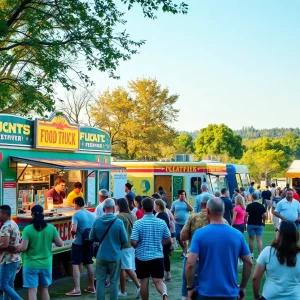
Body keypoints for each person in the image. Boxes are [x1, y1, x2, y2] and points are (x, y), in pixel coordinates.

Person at [186, 197, 252, 300]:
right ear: (224, 211)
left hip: (206, 292)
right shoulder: (237, 235)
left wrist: (190, 288)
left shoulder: (199, 234)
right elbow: (249, 262)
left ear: (207, 211)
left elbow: (190, 264)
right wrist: (242, 287)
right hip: (230, 293)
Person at [12, 205, 63, 300]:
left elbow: (23, 248)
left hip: (30, 264)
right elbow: (60, 243)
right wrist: (50, 239)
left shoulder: (28, 229)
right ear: (43, 214)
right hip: (46, 264)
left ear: (32, 215)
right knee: (44, 289)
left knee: (32, 290)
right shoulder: (51, 228)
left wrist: (13, 248)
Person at [131, 197, 171, 300]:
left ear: (143, 208)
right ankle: (164, 294)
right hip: (157, 256)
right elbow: (168, 239)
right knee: (158, 281)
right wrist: (159, 243)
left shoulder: (138, 223)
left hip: (142, 257)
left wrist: (136, 245)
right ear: (153, 207)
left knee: (144, 282)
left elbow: (133, 242)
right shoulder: (161, 222)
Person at [90, 198, 128, 300]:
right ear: (113, 208)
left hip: (101, 255)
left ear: (103, 209)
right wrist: (118, 246)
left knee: (100, 281)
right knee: (114, 282)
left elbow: (91, 237)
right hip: (115, 255)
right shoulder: (118, 222)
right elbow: (124, 240)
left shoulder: (97, 221)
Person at [252, 220, 300, 300]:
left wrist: (256, 296)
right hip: (294, 296)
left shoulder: (268, 252)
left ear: (280, 234)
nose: (276, 232)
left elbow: (255, 278)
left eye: (277, 230)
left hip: (270, 296)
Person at [180, 193, 214, 300]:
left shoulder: (193, 217)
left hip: (193, 257)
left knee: (187, 292)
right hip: (211, 259)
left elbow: (182, 236)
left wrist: (193, 235)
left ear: (201, 203)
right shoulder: (220, 221)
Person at [66, 197, 96, 296]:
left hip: (78, 243)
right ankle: (92, 286)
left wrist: (71, 232)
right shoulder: (92, 214)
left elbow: (74, 229)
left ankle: (77, 289)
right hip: (89, 243)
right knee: (89, 264)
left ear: (76, 204)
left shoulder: (76, 214)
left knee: (75, 264)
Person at [115, 198, 140, 298]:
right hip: (132, 244)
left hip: (123, 246)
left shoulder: (119, 217)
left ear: (119, 205)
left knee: (127, 268)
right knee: (123, 268)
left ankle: (139, 286)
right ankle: (123, 291)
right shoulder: (132, 216)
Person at [0, 205, 22, 300]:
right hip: (15, 259)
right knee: (9, 285)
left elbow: (4, 245)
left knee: (3, 285)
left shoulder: (5, 227)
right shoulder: (13, 223)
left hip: (7, 260)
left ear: (4, 214)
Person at [170, 189, 193, 258]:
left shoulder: (186, 203)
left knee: (185, 238)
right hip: (177, 223)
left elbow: (191, 209)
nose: (183, 196)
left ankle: (185, 252)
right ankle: (184, 249)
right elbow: (171, 211)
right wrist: (174, 217)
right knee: (178, 237)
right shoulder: (175, 203)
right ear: (179, 195)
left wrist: (186, 202)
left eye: (184, 195)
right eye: (182, 194)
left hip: (186, 223)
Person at [154, 199, 172, 282]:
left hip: (164, 239)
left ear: (158, 205)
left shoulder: (162, 215)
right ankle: (166, 274)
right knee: (164, 257)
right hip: (163, 239)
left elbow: (163, 229)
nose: (153, 206)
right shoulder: (159, 214)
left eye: (154, 204)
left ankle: (167, 274)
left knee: (164, 257)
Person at [246, 193, 266, 259]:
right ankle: (260, 254)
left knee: (251, 240)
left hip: (251, 223)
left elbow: (246, 215)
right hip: (259, 223)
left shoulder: (249, 206)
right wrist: (263, 221)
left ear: (252, 198)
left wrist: (245, 222)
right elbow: (265, 215)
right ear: (258, 198)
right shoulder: (261, 206)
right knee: (259, 240)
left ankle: (251, 254)